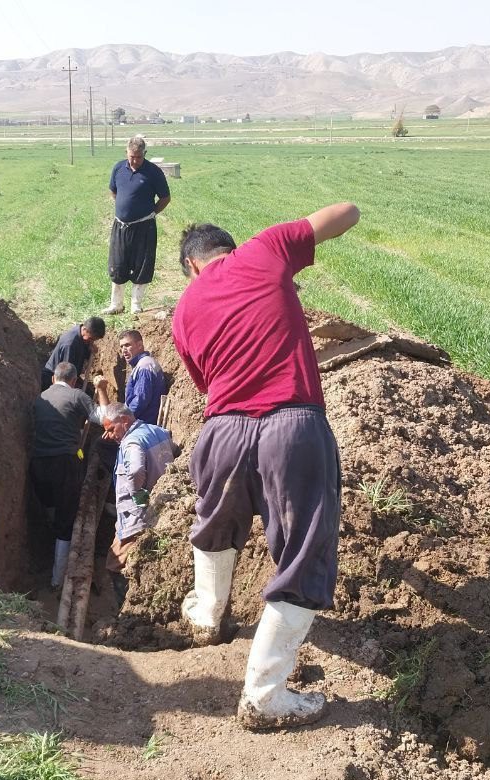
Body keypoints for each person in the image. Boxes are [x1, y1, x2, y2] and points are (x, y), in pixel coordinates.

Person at [171, 202, 360, 731]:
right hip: (291, 426)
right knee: (304, 553)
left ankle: (208, 617)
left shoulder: (183, 310)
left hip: (222, 430)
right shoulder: (265, 249)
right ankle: (265, 694)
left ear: (191, 265)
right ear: (228, 249)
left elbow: (205, 385)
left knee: (216, 525)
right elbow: (347, 211)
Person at [32, 362, 112, 587]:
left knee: (51, 508)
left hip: (38, 463)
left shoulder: (41, 398)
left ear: (53, 379)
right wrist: (103, 390)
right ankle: (58, 580)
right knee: (66, 521)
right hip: (64, 464)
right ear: (75, 381)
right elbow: (104, 419)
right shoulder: (77, 396)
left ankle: (48, 546)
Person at [101, 403, 175, 603]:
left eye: (111, 429)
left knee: (114, 564)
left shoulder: (131, 442)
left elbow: (134, 471)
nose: (108, 435)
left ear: (125, 421)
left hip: (137, 517)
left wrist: (139, 497)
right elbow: (174, 449)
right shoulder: (156, 431)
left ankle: (128, 609)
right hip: (158, 508)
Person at [103, 136, 170, 316]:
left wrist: (151, 213)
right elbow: (113, 190)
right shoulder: (118, 168)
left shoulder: (154, 172)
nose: (134, 160)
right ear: (126, 153)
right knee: (118, 264)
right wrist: (124, 209)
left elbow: (165, 198)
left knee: (142, 264)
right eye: (132, 156)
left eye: (138, 157)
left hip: (144, 227)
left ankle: (136, 304)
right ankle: (116, 304)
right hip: (121, 226)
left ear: (144, 154)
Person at [39, 315, 104, 391]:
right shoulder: (69, 344)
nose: (92, 342)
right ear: (85, 329)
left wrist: (90, 350)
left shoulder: (82, 333)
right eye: (90, 339)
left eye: (94, 340)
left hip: (69, 376)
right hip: (54, 379)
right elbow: (66, 374)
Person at [117, 328, 166, 425]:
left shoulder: (145, 366)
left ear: (139, 345)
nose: (124, 350)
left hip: (144, 424)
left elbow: (140, 400)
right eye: (122, 347)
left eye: (127, 345)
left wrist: (123, 421)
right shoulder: (141, 365)